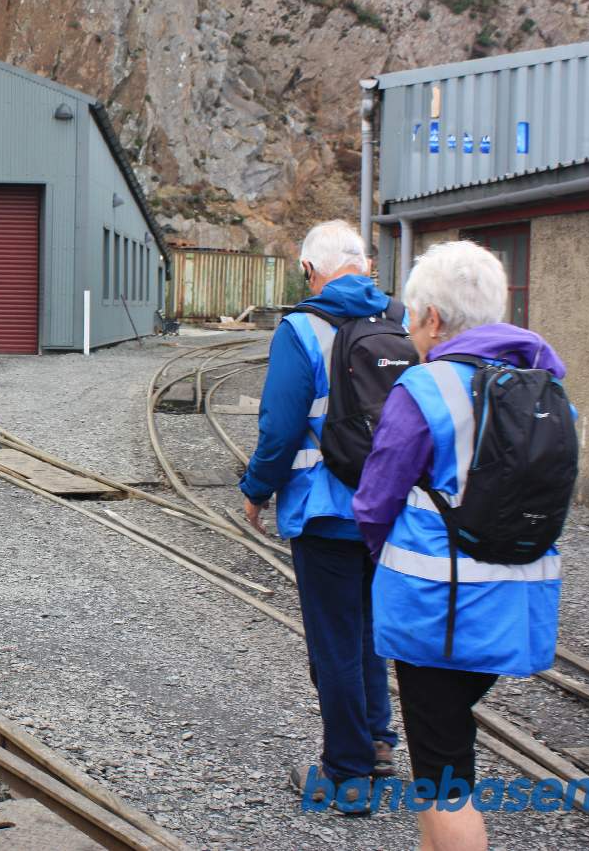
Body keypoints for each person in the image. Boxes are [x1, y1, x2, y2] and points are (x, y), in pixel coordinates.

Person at [354, 241, 566, 851]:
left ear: (434, 320)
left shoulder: (425, 390)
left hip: (436, 611)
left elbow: (375, 500)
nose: (412, 331)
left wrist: (385, 563)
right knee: (447, 748)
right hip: (516, 605)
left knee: (443, 778)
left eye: (415, 317)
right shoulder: (546, 389)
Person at [237, 219, 397, 806]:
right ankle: (378, 741)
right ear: (363, 264)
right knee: (369, 630)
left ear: (310, 270)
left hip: (326, 509)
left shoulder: (301, 327)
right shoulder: (396, 319)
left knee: (332, 642)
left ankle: (347, 771)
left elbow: (279, 428)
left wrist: (256, 488)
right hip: (386, 507)